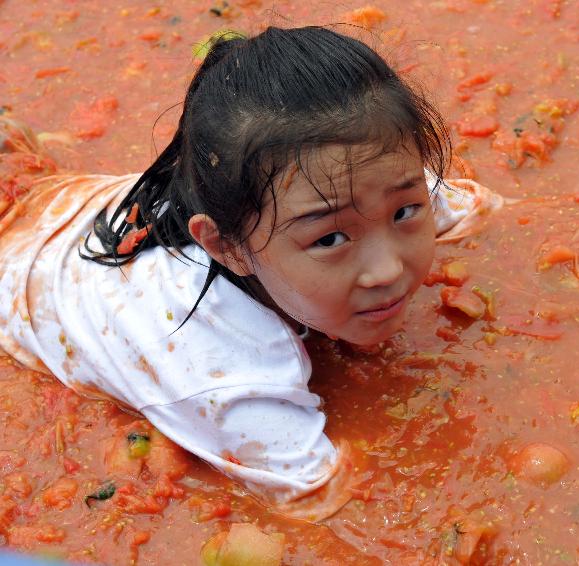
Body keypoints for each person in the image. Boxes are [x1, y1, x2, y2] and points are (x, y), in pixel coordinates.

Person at [0, 27, 501, 519]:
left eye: (405, 213)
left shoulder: (361, 180)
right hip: (24, 279)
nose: (388, 270)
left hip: (74, 205)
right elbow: (330, 502)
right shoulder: (227, 383)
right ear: (226, 247)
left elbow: (475, 206)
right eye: (330, 240)